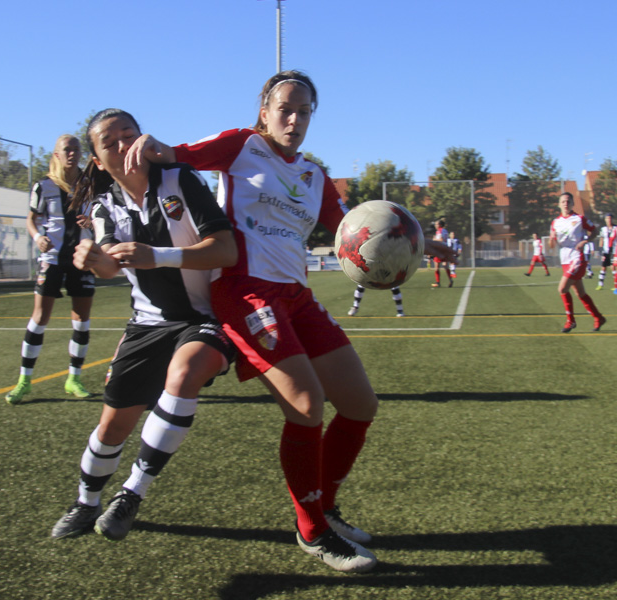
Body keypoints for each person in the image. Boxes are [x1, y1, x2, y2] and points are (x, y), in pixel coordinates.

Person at [125, 70, 454, 573]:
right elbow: (178, 154)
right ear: (264, 112)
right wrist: (151, 144)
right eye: (286, 109)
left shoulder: (314, 176)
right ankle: (312, 529)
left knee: (360, 405)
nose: (295, 119)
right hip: (244, 291)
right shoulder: (240, 146)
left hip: (296, 296)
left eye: (305, 112)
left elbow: (356, 226)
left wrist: (416, 241)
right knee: (305, 403)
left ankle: (327, 506)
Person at [48, 109, 238, 542]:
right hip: (146, 325)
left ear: (144, 140)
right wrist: (93, 260)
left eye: (128, 136)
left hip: (205, 318)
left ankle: (132, 492)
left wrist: (159, 255)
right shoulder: (103, 207)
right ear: (97, 160)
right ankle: (86, 501)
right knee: (111, 427)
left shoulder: (181, 179)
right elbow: (111, 264)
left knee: (186, 372)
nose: (122, 146)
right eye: (109, 143)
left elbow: (225, 250)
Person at [5, 134, 96, 404]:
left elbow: (104, 214)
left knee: (82, 320)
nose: (72, 153)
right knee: (39, 318)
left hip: (82, 258)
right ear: (56, 154)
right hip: (53, 258)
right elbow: (31, 220)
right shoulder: (43, 186)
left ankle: (74, 379)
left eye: (76, 149)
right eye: (67, 150)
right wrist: (37, 238)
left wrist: (92, 223)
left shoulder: (90, 184)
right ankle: (24, 380)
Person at [549, 192, 606, 333]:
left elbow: (595, 231)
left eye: (568, 201)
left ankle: (571, 321)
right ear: (559, 204)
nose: (565, 203)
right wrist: (551, 240)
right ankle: (598, 317)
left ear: (573, 203)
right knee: (580, 292)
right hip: (565, 259)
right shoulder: (556, 222)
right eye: (563, 201)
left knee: (562, 289)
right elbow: (552, 244)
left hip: (577, 257)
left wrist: (585, 241)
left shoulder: (579, 219)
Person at [595, 213, 615, 290]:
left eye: (610, 218)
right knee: (603, 267)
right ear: (605, 220)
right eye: (607, 218)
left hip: (613, 251)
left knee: (613, 267)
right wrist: (600, 250)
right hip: (606, 251)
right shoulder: (603, 229)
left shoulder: (616, 228)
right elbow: (601, 239)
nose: (609, 220)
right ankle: (600, 284)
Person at [431, 219, 453, 287]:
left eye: (436, 224)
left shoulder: (439, 231)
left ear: (439, 225)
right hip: (444, 249)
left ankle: (437, 282)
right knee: (445, 265)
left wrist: (434, 239)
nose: (435, 225)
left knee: (436, 266)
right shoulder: (445, 230)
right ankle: (450, 280)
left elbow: (440, 240)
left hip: (440, 250)